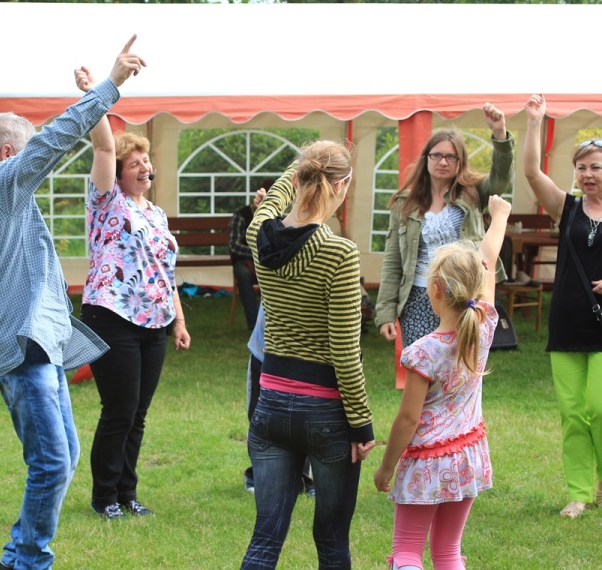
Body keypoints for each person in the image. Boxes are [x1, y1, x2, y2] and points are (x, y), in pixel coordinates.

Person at [0, 37, 145, 570]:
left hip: (36, 342)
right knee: (53, 463)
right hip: (20, 346)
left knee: (66, 456)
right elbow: (56, 140)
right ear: (8, 156)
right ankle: (29, 561)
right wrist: (110, 85)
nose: (34, 165)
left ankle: (19, 557)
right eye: (27, 154)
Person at [241, 142, 375, 570]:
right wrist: (361, 422)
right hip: (326, 413)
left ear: (298, 178)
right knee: (332, 542)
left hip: (270, 404)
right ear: (341, 186)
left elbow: (275, 200)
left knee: (265, 540)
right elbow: (345, 350)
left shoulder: (258, 234)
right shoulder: (340, 253)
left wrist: (300, 165)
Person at [373, 194, 511, 570]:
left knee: (407, 553)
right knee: (448, 552)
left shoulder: (422, 352)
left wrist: (386, 467)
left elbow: (408, 419)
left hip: (426, 463)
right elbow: (489, 256)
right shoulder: (483, 327)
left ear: (434, 289)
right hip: (468, 457)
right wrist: (499, 216)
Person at [77, 65, 191, 521]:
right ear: (119, 174)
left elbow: (165, 271)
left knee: (138, 413)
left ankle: (127, 493)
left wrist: (179, 319)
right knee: (119, 411)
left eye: (146, 161)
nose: (144, 166)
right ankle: (104, 496)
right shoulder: (107, 201)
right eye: (135, 163)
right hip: (112, 316)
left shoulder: (156, 214)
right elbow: (104, 145)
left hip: (155, 321)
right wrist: (97, 92)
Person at [375, 105, 514, 351]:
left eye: (451, 157)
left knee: (460, 367)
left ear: (460, 162)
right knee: (421, 365)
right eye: (436, 155)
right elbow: (393, 259)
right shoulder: (404, 203)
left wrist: (500, 134)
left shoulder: (473, 193)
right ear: (426, 158)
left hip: (464, 297)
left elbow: (501, 178)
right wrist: (385, 310)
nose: (442, 161)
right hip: (418, 298)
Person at [524, 93, 602, 519]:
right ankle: (579, 492)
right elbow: (531, 172)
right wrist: (535, 122)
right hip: (567, 324)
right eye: (582, 167)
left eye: (596, 167)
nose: (587, 174)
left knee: (599, 408)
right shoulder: (567, 208)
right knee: (573, 414)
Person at [242, 303, 314, 496]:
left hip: (307, 356)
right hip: (264, 353)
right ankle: (259, 476)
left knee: (306, 417)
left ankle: (303, 478)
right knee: (259, 417)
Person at [228, 180, 270, 331]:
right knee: (242, 273)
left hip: (268, 262)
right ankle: (254, 326)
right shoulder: (241, 215)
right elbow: (234, 246)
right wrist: (257, 253)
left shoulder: (277, 217)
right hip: (245, 261)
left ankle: (274, 325)